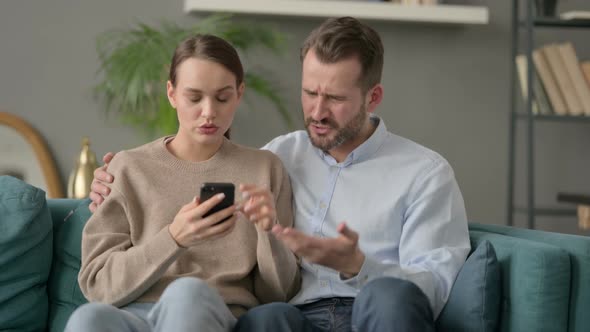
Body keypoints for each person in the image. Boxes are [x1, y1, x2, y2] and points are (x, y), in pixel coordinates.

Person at [90, 17, 470, 332]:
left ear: (373, 97)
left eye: (335, 99)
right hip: (296, 315)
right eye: (309, 93)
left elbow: (434, 287)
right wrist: (112, 178)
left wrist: (360, 266)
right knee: (268, 318)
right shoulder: (279, 155)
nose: (318, 112)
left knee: (389, 295)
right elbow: (209, 162)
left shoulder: (424, 173)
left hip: (375, 311)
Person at [65, 34, 300, 332]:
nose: (209, 112)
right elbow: (97, 284)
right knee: (88, 318)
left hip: (215, 313)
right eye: (194, 98)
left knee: (186, 294)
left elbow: (280, 293)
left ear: (239, 94)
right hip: (135, 315)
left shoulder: (265, 168)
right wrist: (175, 236)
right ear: (171, 93)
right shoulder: (128, 168)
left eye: (222, 97)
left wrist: (270, 233)